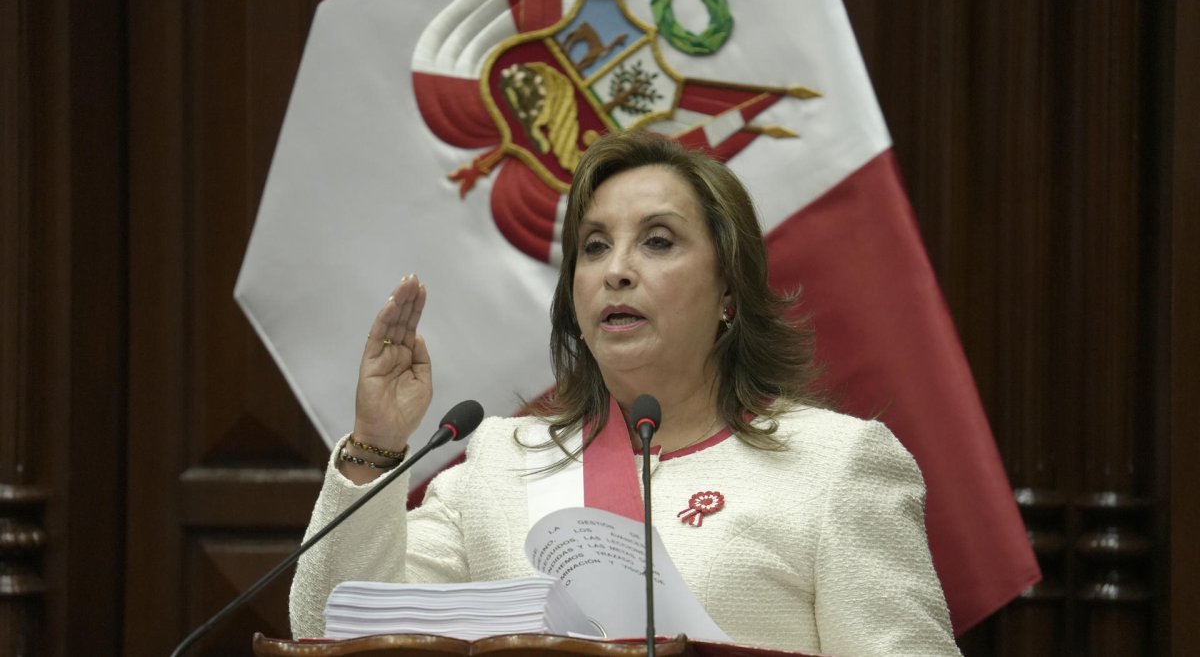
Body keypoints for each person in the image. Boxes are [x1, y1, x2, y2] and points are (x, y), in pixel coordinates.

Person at [289, 130, 961, 655]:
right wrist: (375, 445)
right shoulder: (499, 462)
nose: (617, 271)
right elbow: (331, 625)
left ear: (729, 290)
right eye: (594, 246)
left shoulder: (834, 467)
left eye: (658, 241)